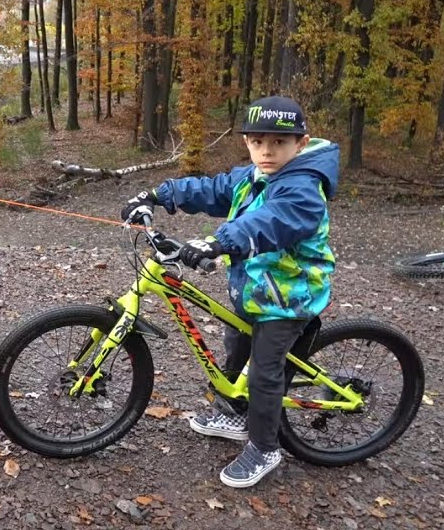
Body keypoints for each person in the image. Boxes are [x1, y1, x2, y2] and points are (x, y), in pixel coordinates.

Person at [120, 96, 339, 488]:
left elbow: (268, 222)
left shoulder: (304, 189)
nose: (266, 151)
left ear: (300, 144)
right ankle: (234, 414)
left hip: (289, 298)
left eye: (278, 143)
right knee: (235, 345)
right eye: (257, 142)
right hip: (254, 289)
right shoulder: (253, 176)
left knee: (264, 372)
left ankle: (265, 447)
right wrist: (157, 195)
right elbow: (211, 188)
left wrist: (218, 242)